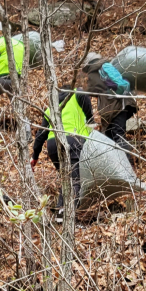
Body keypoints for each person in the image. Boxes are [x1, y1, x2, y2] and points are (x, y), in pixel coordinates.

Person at [31, 86, 94, 219]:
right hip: (74, 139)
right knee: (76, 179)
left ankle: (60, 214)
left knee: (67, 178)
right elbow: (90, 120)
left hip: (53, 144)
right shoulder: (78, 94)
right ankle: (68, 216)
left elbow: (41, 134)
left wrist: (34, 156)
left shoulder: (51, 108)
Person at [82, 53, 137, 154]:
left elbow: (120, 85)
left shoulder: (102, 68)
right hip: (116, 106)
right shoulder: (101, 70)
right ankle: (121, 163)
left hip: (117, 106)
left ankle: (128, 163)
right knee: (111, 136)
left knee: (117, 135)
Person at [0, 22, 25, 126]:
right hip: (18, 79)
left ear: (0, 31)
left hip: (4, 77)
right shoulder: (20, 44)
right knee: (17, 103)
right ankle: (26, 131)